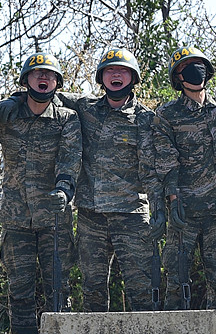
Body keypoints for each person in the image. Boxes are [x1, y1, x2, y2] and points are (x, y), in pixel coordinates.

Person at [0, 52, 81, 334]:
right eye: (36, 74)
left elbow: (71, 161)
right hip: (16, 217)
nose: (43, 79)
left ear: (57, 82)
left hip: (53, 217)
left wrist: (64, 190)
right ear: (25, 80)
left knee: (59, 287)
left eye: (49, 75)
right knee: (21, 288)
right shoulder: (8, 114)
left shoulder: (67, 119)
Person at [62, 48, 161, 312]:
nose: (116, 74)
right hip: (91, 213)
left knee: (141, 286)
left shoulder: (146, 119)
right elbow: (46, 93)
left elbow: (151, 170)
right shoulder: (86, 108)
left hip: (131, 213)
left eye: (122, 70)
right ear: (101, 77)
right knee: (92, 287)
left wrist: (159, 208)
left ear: (133, 77)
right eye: (110, 70)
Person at [152, 46, 216, 309]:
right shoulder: (167, 115)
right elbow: (166, 158)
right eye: (185, 66)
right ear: (177, 78)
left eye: (197, 64)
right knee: (176, 280)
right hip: (183, 210)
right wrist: (173, 198)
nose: (193, 70)